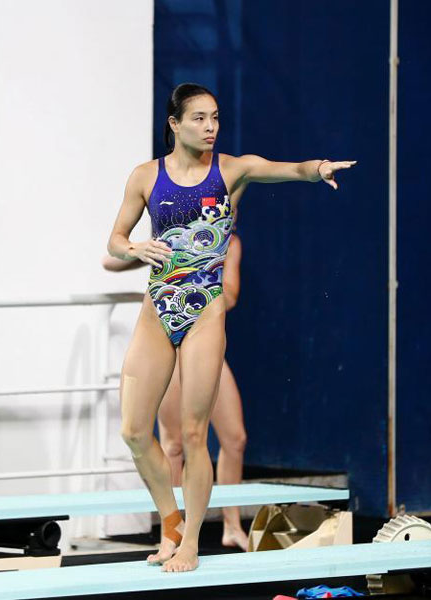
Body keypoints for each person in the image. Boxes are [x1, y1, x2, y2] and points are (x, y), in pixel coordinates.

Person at [106, 83, 355, 572]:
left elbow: (288, 169)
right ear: (174, 124)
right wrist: (134, 247)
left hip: (205, 314)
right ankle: (171, 523)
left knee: (195, 435)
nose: (211, 127)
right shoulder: (145, 176)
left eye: (215, 117)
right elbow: (115, 239)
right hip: (158, 311)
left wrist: (318, 169)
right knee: (134, 431)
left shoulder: (231, 171)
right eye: (199, 118)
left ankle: (192, 542)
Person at [101, 226, 249, 551]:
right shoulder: (170, 236)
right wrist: (142, 251)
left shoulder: (229, 242)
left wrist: (199, 274)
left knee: (235, 438)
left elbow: (231, 294)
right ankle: (173, 530)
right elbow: (109, 261)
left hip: (203, 340)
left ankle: (232, 524)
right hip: (168, 343)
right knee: (173, 443)